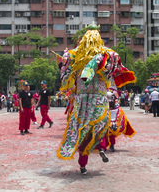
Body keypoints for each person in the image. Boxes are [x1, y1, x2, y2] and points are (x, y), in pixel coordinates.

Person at [57, 25, 135, 174]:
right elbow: (115, 69)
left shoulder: (72, 55)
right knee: (101, 125)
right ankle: (100, 147)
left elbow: (65, 77)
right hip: (99, 99)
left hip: (81, 101)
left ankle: (82, 165)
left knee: (82, 131)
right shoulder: (108, 54)